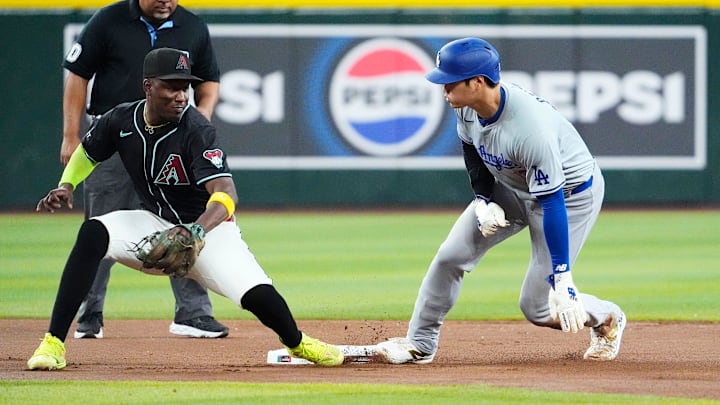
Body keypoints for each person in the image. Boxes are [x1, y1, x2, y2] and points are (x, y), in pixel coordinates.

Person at [27, 48, 344, 370]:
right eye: (172, 87)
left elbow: (225, 191)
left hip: (208, 230)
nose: (181, 96)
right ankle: (52, 344)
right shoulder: (121, 119)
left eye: (185, 88)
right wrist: (67, 184)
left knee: (257, 296)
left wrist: (196, 231)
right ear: (148, 87)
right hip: (153, 224)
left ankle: (299, 343)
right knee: (93, 232)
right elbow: (88, 152)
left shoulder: (197, 129)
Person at [375, 38, 626, 364]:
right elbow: (471, 151)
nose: (443, 89)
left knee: (537, 306)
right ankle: (419, 343)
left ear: (477, 82)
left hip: (570, 197)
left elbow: (551, 203)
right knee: (450, 256)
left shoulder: (530, 129)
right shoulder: (466, 107)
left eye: (450, 82)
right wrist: (483, 199)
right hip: (511, 187)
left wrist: (563, 279)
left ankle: (607, 317)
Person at [61, 0, 227, 339]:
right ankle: (90, 314)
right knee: (101, 227)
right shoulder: (108, 20)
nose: (165, 0)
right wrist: (70, 134)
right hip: (114, 136)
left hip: (173, 140)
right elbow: (78, 75)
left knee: (182, 222)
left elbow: (208, 81)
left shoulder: (193, 26)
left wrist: (202, 116)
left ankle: (192, 314)